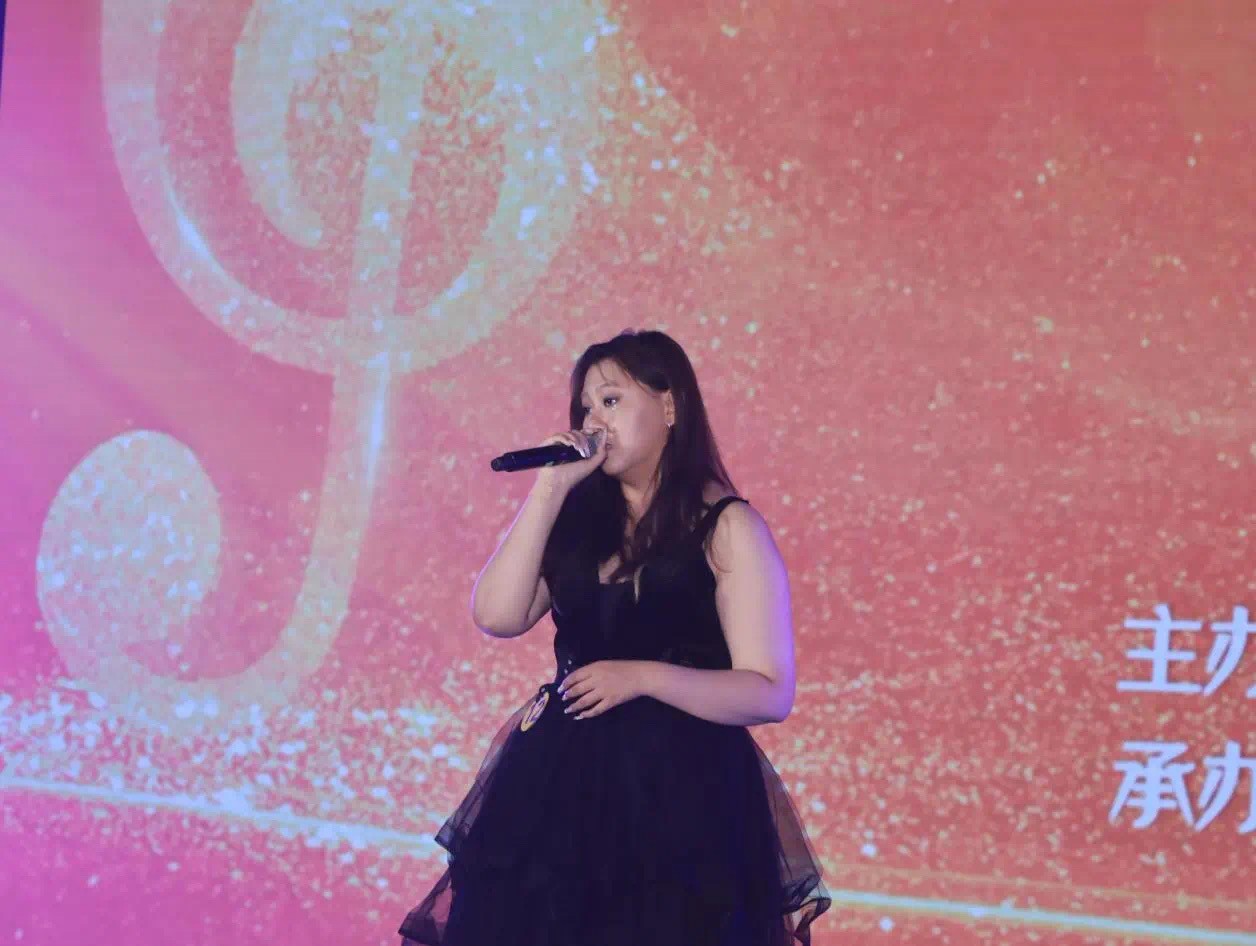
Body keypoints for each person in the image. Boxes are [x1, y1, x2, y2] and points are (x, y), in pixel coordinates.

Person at [398, 329, 831, 946]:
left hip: (680, 796)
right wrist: (551, 487)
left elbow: (769, 692)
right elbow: (497, 614)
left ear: (670, 406)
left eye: (611, 401)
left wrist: (643, 677)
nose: (593, 421)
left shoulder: (726, 526)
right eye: (585, 408)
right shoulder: (579, 522)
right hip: (559, 787)